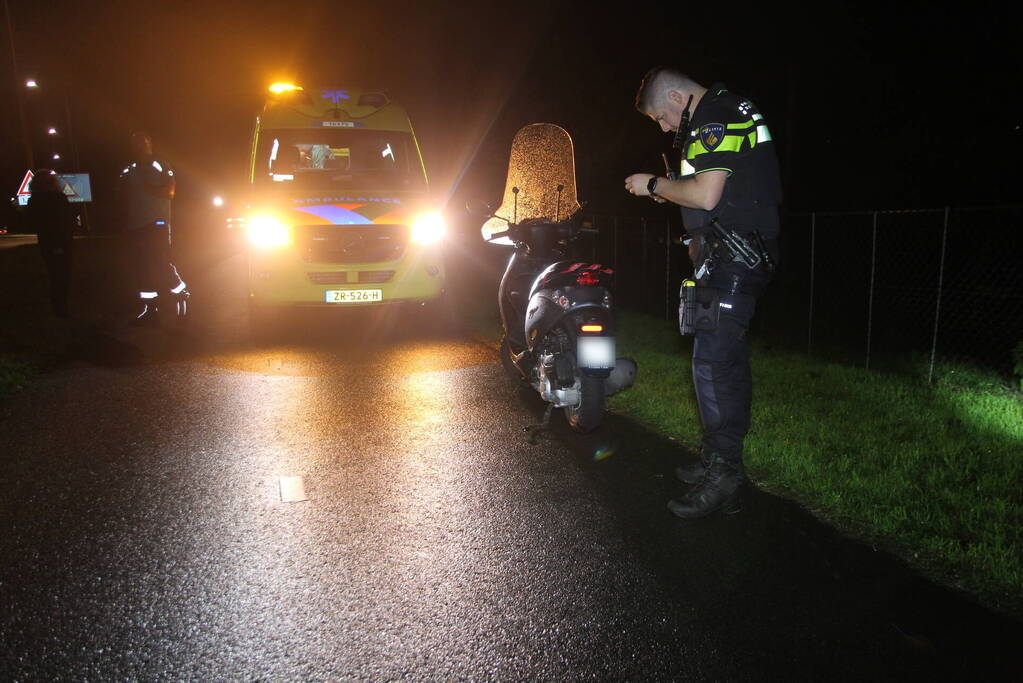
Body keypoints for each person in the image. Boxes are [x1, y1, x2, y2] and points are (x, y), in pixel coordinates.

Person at [624, 67, 782, 519]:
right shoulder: (727, 108)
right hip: (736, 256)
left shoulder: (713, 116)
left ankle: (725, 476)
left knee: (712, 367)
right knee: (726, 363)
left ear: (675, 96)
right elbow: (716, 189)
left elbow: (708, 195)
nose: (664, 126)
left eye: (660, 117)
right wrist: (673, 193)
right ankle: (720, 459)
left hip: (735, 260)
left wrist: (651, 184)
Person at [118, 131, 189, 325]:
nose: (139, 147)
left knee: (160, 262)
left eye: (143, 143)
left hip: (156, 223)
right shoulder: (129, 169)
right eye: (135, 143)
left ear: (150, 145)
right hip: (136, 225)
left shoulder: (160, 165)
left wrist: (148, 188)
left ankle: (180, 293)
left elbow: (170, 191)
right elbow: (122, 194)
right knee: (142, 268)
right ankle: (150, 311)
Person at [25, 169, 76, 318]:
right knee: (62, 277)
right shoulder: (56, 198)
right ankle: (61, 309)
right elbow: (62, 220)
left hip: (48, 243)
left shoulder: (35, 199)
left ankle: (59, 307)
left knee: (56, 276)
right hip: (59, 243)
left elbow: (31, 224)